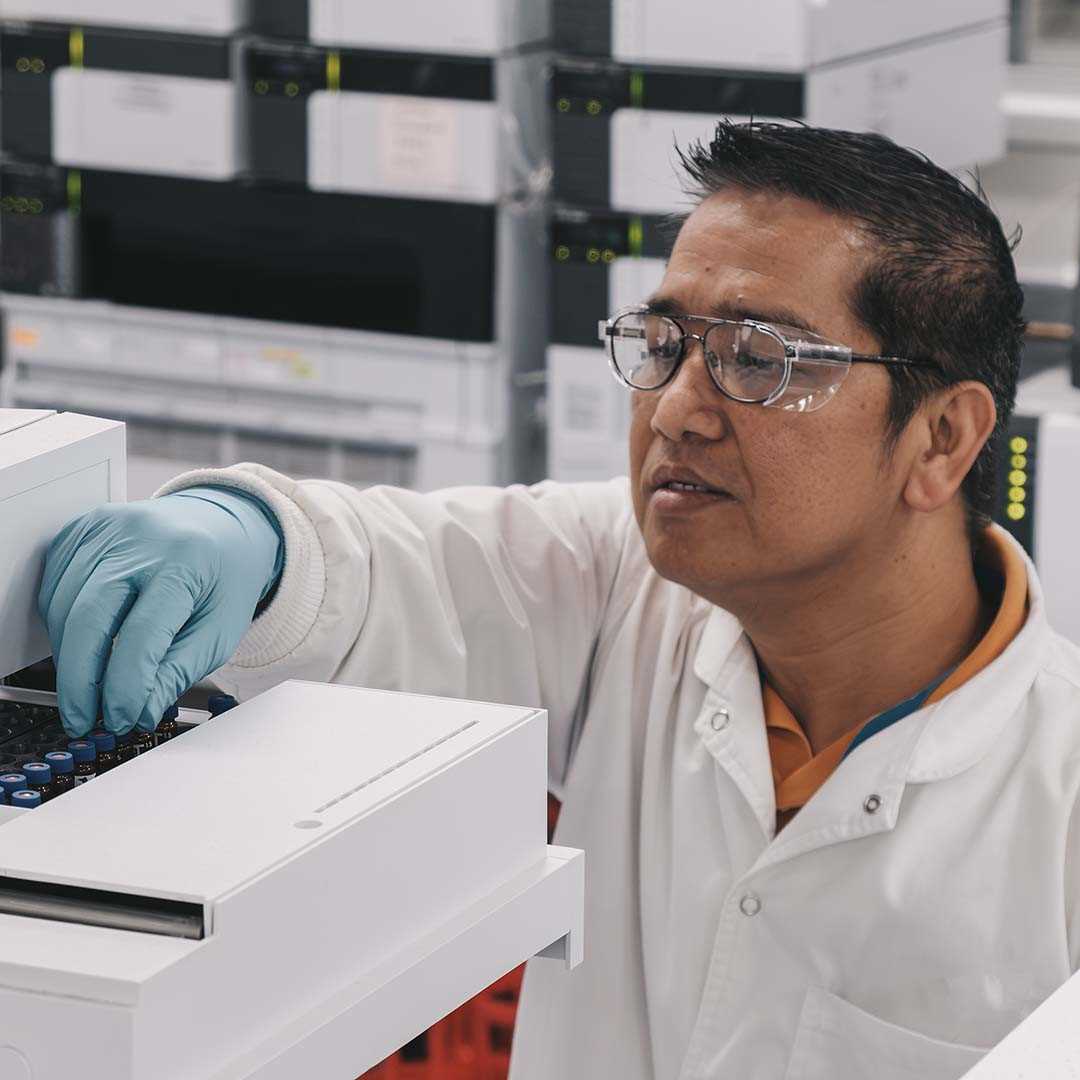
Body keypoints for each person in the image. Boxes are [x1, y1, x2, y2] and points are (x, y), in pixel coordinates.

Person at [38, 122, 1080, 1080]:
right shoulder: (624, 582)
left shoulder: (1061, 804)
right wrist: (250, 540)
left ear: (942, 438)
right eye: (667, 345)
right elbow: (392, 568)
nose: (677, 410)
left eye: (758, 360)